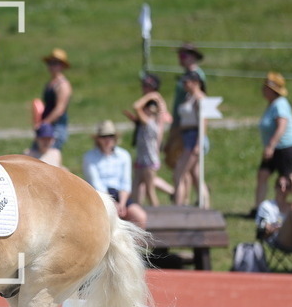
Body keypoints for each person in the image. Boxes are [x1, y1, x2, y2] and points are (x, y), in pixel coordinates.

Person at [249, 72, 292, 218]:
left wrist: (271, 145)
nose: (263, 90)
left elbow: (282, 126)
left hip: (284, 147)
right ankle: (258, 209)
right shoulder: (272, 105)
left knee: (290, 178)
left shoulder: (280, 104)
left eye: (266, 87)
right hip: (274, 147)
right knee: (263, 175)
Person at [82, 120, 147, 228]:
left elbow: (125, 183)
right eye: (104, 136)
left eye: (110, 136)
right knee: (107, 219)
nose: (107, 139)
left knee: (140, 217)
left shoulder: (124, 155)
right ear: (98, 139)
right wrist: (112, 204)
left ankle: (133, 245)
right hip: (98, 196)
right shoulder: (89, 157)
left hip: (119, 195)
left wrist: (122, 203)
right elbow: (96, 183)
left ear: (115, 138)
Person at [123, 72, 171, 206]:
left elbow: (136, 106)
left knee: (150, 191)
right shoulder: (148, 123)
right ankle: (139, 215)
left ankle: (158, 217)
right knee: (135, 189)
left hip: (149, 159)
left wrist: (152, 95)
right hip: (142, 158)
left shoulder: (150, 123)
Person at [171, 71, 210, 207]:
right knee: (196, 175)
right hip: (187, 137)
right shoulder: (188, 97)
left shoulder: (199, 98)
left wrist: (198, 143)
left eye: (186, 82)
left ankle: (179, 205)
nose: (184, 84)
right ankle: (205, 205)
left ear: (195, 82)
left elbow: (204, 122)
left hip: (194, 138)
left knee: (179, 173)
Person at [36, 48, 72, 150]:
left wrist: (44, 123)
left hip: (56, 126)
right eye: (50, 63)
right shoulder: (51, 83)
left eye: (55, 63)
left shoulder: (63, 85)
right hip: (48, 126)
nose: (51, 66)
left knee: (50, 155)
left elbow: (60, 109)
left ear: (62, 66)